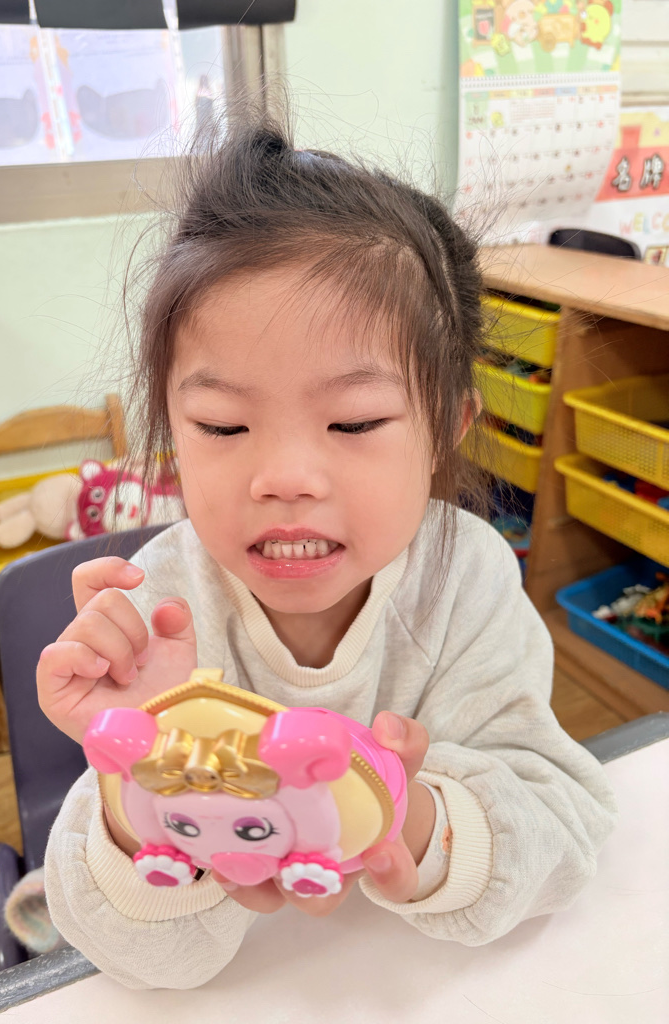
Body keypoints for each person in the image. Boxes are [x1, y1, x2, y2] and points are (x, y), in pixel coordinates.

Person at [37, 118, 617, 989]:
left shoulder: (465, 577)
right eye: (222, 426)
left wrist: (406, 824)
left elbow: (564, 831)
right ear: (172, 431)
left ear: (445, 427)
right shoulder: (160, 605)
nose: (285, 479)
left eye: (353, 422)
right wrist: (144, 787)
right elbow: (138, 964)